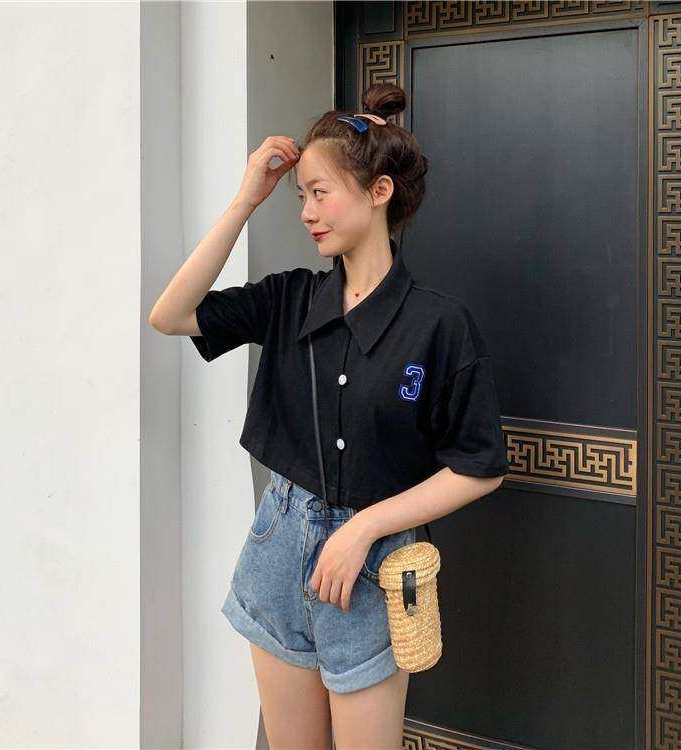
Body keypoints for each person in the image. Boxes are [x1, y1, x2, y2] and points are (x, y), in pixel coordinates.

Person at [149, 82, 509, 750]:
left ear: (379, 192)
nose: (307, 213)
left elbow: (479, 466)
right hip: (277, 547)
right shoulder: (290, 300)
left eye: (320, 192)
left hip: (373, 566)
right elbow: (169, 315)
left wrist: (364, 527)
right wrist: (246, 199)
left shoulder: (439, 325)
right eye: (300, 196)